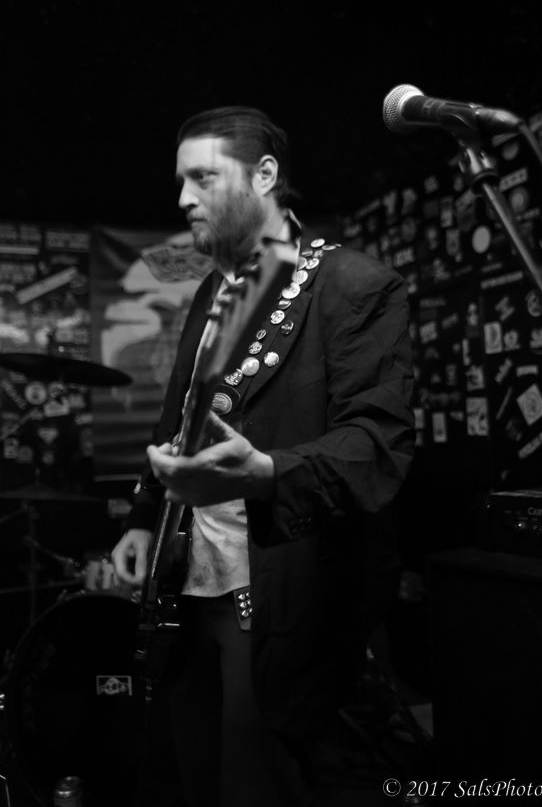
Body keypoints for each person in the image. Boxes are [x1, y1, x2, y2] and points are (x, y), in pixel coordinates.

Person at [112, 105, 415, 807]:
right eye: (180, 180)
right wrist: (143, 517)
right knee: (194, 780)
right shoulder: (212, 290)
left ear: (265, 175)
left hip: (279, 598)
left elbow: (376, 446)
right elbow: (179, 418)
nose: (183, 198)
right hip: (186, 582)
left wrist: (268, 473)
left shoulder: (353, 285)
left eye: (203, 177)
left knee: (256, 786)